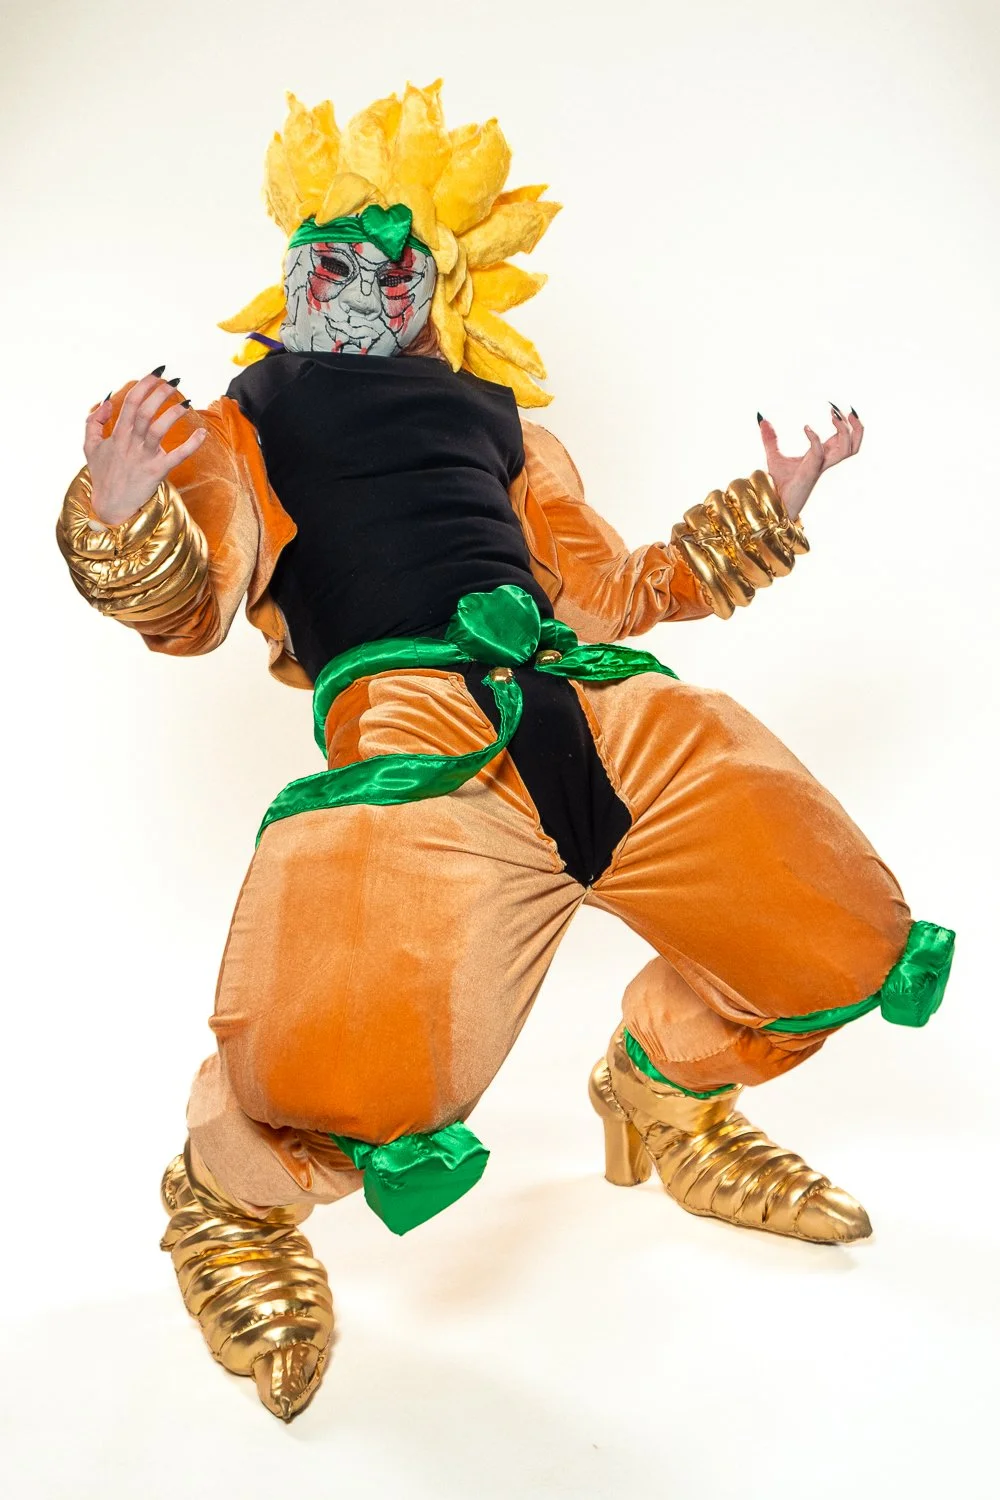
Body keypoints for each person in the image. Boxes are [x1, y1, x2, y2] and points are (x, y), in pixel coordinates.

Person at [57, 83, 954, 1424]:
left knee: (831, 926)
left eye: (392, 271)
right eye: (332, 264)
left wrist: (766, 511)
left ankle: (666, 1096)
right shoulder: (239, 425)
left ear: (441, 287)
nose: (361, 291)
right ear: (290, 268)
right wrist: (125, 510)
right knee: (350, 1045)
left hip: (589, 702)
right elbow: (190, 606)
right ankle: (229, 1206)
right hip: (418, 734)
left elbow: (615, 590)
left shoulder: (507, 429)